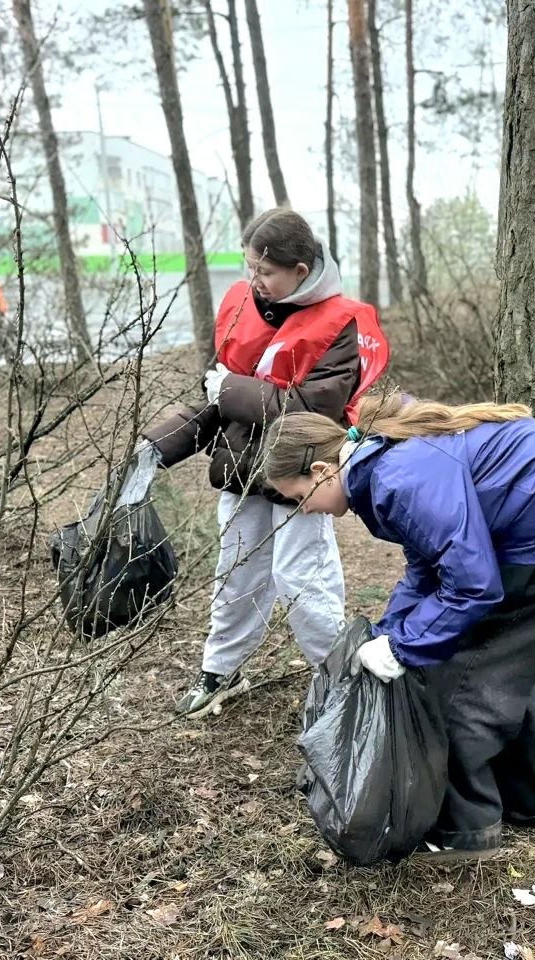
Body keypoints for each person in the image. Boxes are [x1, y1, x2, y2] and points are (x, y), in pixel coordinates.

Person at [259, 394, 535, 859]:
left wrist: (404, 649)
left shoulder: (397, 476)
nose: (304, 510)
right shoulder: (382, 462)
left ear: (323, 473)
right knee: (506, 668)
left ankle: (469, 830)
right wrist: (392, 628)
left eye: (298, 497)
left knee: (457, 682)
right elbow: (428, 561)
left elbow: (472, 584)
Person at [142, 209, 389, 718]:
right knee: (234, 574)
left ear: (300, 271)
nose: (254, 280)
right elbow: (213, 400)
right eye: (249, 267)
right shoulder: (242, 306)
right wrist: (155, 447)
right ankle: (220, 670)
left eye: (266, 272)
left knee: (304, 579)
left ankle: (341, 680)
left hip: (303, 475)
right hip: (239, 469)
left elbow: (309, 409)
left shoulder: (340, 323)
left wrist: (231, 391)